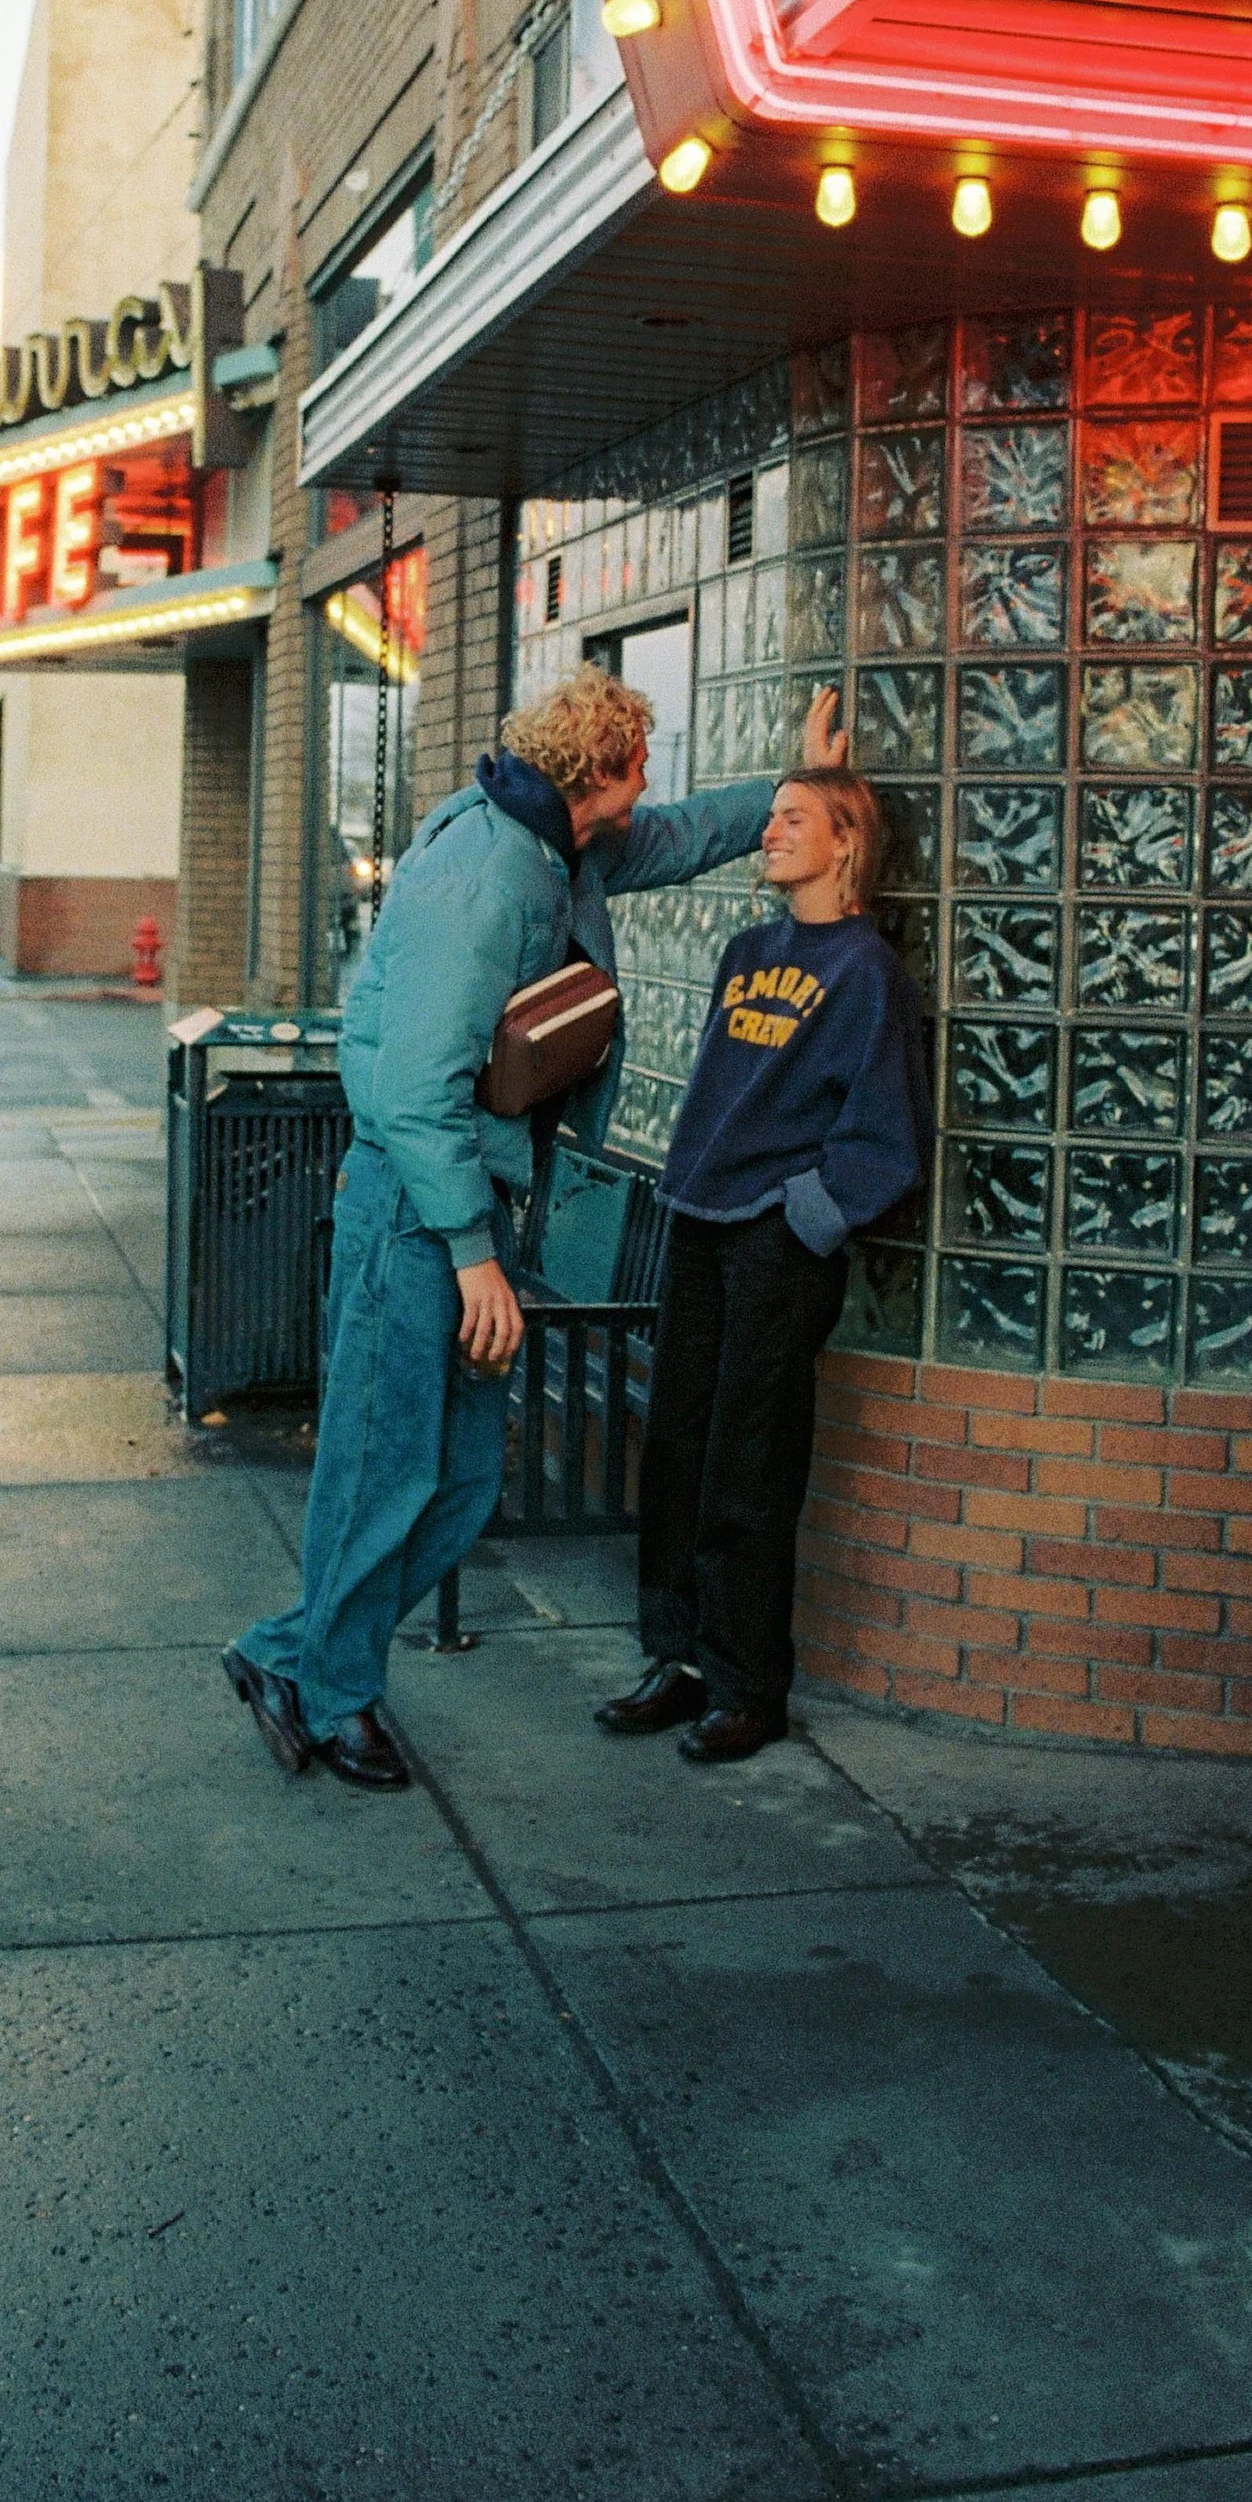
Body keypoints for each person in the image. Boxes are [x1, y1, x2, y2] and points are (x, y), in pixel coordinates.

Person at [225, 666, 849, 1790]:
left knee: (459, 1480)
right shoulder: (484, 878)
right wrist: (474, 1257)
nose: (646, 779)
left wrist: (807, 777)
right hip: (413, 1215)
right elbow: (412, 1090)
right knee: (383, 1472)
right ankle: (332, 1688)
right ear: (596, 770)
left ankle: (287, 1656)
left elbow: (684, 832)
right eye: (638, 760)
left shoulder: (564, 845)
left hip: (464, 1208)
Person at [594, 764, 930, 1764]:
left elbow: (888, 1134)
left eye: (793, 818)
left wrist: (804, 1216)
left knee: (750, 1459)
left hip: (773, 1243)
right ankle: (679, 1659)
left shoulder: (866, 969)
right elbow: (715, 1090)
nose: (770, 832)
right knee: (679, 1446)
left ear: (846, 841)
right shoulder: (747, 950)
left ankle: (749, 1686)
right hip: (697, 1221)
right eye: (771, 816)